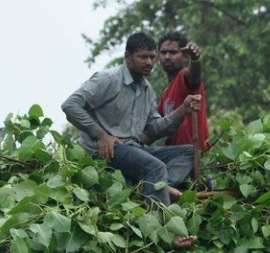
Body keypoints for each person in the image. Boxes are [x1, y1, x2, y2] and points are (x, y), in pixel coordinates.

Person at [62, 32, 202, 205]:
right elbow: (70, 105)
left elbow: (152, 129)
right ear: (128, 56)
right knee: (155, 167)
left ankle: (162, 187)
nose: (149, 62)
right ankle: (164, 226)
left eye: (152, 57)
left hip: (133, 149)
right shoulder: (108, 79)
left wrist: (182, 110)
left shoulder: (147, 89)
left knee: (189, 152)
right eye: (143, 57)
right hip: (109, 150)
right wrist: (101, 135)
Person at [157, 31, 208, 151]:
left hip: (194, 156)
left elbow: (193, 76)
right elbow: (154, 125)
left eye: (173, 52)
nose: (167, 57)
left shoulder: (184, 76)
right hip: (174, 156)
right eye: (163, 52)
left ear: (185, 56)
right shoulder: (165, 94)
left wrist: (195, 59)